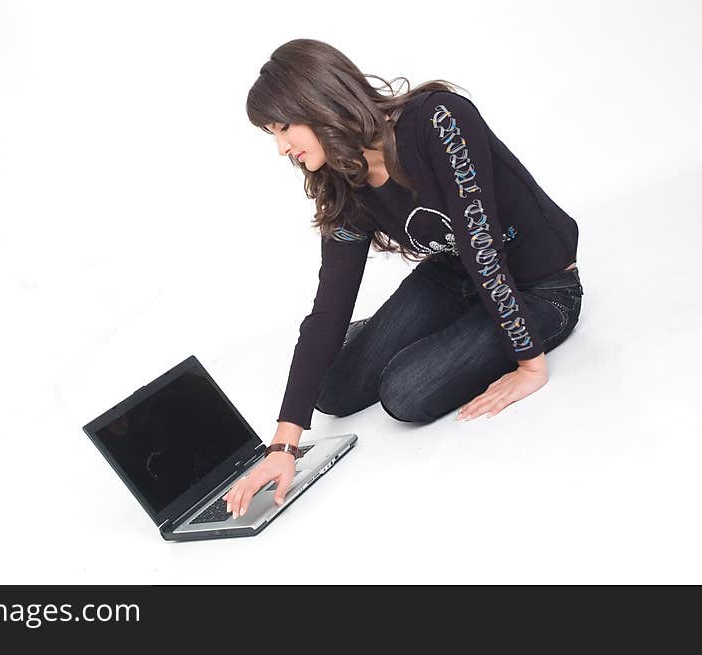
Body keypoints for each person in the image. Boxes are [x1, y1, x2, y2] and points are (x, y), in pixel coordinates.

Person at [223, 39, 583, 520]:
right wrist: (282, 448)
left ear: (320, 99)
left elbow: (481, 245)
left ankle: (417, 340)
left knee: (405, 393)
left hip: (538, 287)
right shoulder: (341, 179)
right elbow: (330, 307)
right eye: (272, 133)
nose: (282, 146)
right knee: (329, 390)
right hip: (451, 278)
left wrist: (530, 366)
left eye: (285, 127)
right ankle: (392, 337)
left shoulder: (437, 119)